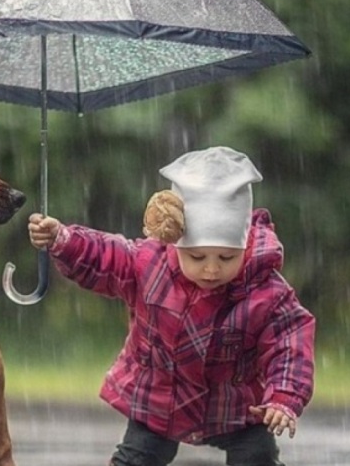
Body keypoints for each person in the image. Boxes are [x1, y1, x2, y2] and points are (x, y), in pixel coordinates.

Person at [28, 147, 316, 466]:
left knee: (256, 457)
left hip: (235, 406)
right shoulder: (148, 264)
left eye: (226, 258)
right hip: (160, 400)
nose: (211, 269)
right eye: (196, 256)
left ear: (245, 247)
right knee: (137, 458)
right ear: (176, 243)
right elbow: (105, 256)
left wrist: (283, 397)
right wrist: (63, 241)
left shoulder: (265, 290)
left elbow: (290, 343)